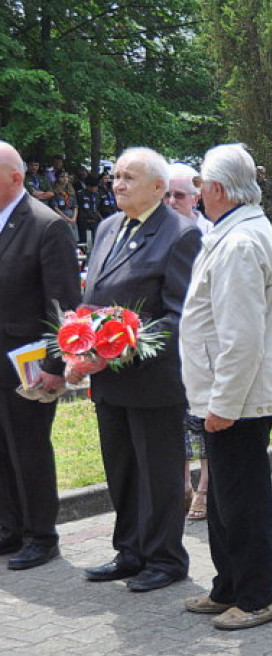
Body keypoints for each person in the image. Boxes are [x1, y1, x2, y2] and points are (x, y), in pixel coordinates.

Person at [74, 147, 201, 592]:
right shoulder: (108, 227)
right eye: (116, 178)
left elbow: (178, 315)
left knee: (158, 473)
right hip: (108, 380)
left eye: (129, 177)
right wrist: (83, 339)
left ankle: (165, 558)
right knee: (122, 469)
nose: (118, 184)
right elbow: (93, 295)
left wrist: (125, 344)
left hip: (153, 380)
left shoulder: (180, 235)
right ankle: (129, 551)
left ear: (158, 187)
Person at [179, 143, 272, 629]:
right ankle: (230, 585)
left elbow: (241, 337)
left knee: (241, 501)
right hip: (223, 396)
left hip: (236, 400)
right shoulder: (233, 232)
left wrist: (222, 403)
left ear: (217, 189)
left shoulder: (241, 242)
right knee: (223, 498)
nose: (199, 192)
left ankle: (260, 594)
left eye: (201, 184)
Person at [0, 142, 81, 570]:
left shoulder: (46, 225)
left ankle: (40, 534)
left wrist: (54, 367)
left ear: (15, 178)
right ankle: (9, 528)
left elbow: (62, 304)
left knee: (28, 446)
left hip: (25, 361)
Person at [165, 162, 212, 521]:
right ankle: (181, 484)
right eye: (165, 194)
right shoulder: (157, 234)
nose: (171, 201)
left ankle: (206, 486)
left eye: (179, 195)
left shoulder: (210, 235)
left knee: (203, 417)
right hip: (169, 344)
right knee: (176, 420)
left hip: (203, 342)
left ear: (196, 197)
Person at [76, 173, 103, 247]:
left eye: (96, 187)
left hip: (95, 220)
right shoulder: (80, 194)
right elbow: (79, 207)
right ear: (87, 186)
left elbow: (97, 207)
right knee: (84, 242)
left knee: (95, 241)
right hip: (84, 220)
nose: (94, 189)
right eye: (92, 187)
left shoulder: (97, 195)